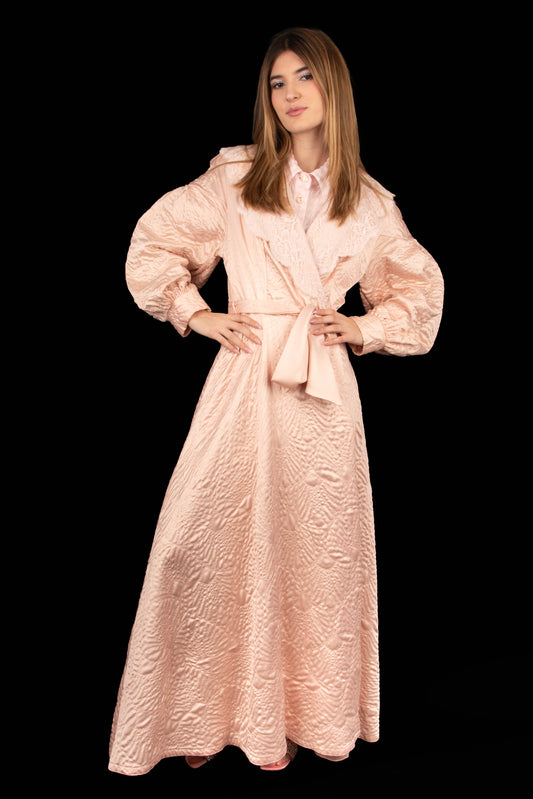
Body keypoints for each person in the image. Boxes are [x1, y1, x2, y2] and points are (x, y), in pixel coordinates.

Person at [108, 27, 444, 775]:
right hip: (246, 380)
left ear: (333, 88)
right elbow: (154, 242)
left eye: (304, 78)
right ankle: (201, 712)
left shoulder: (368, 203)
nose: (290, 94)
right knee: (203, 540)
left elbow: (419, 292)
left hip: (322, 398)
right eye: (276, 82)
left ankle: (293, 716)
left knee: (313, 557)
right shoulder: (236, 178)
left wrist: (362, 327)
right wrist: (195, 312)